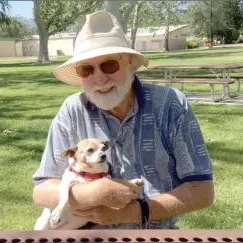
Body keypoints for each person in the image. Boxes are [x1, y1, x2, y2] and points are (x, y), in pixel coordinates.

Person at [32, 11, 214, 229]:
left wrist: (135, 212)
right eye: (86, 69)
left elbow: (202, 190)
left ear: (129, 62)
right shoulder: (71, 111)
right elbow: (41, 191)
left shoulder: (170, 105)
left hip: (153, 237)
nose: (99, 78)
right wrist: (91, 193)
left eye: (109, 65)